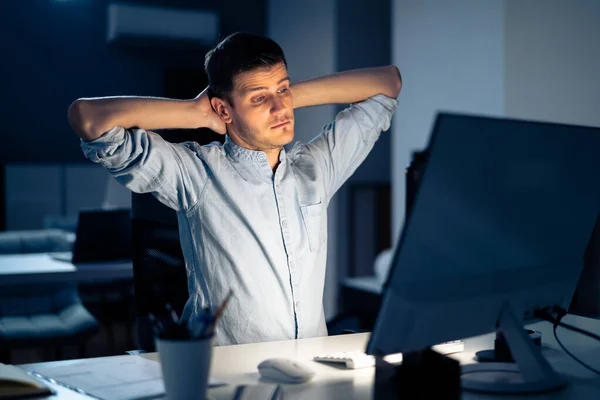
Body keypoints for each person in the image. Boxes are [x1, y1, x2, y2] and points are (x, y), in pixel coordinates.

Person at [68, 32, 401, 346]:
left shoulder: (315, 167)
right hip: (227, 379)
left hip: (308, 374)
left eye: (283, 91)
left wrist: (278, 93)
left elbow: (388, 83)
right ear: (223, 109)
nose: (280, 110)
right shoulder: (195, 172)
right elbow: (88, 119)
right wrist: (197, 112)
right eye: (259, 98)